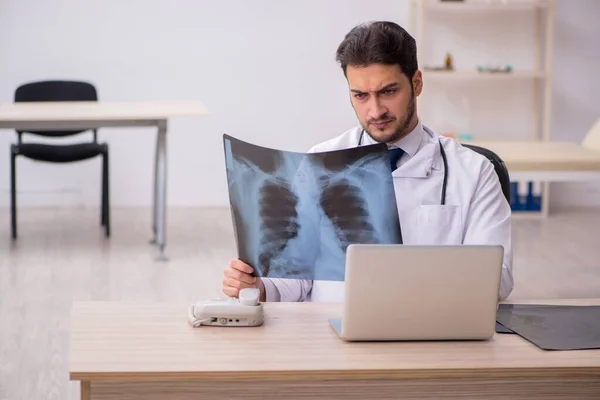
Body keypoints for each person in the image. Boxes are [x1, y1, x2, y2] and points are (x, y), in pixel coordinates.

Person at [222, 21, 513, 302]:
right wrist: (260, 286)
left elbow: (497, 278)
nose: (375, 110)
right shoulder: (320, 162)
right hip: (329, 336)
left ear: (417, 82)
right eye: (360, 95)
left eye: (388, 92)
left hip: (430, 335)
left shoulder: (474, 172)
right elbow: (296, 274)